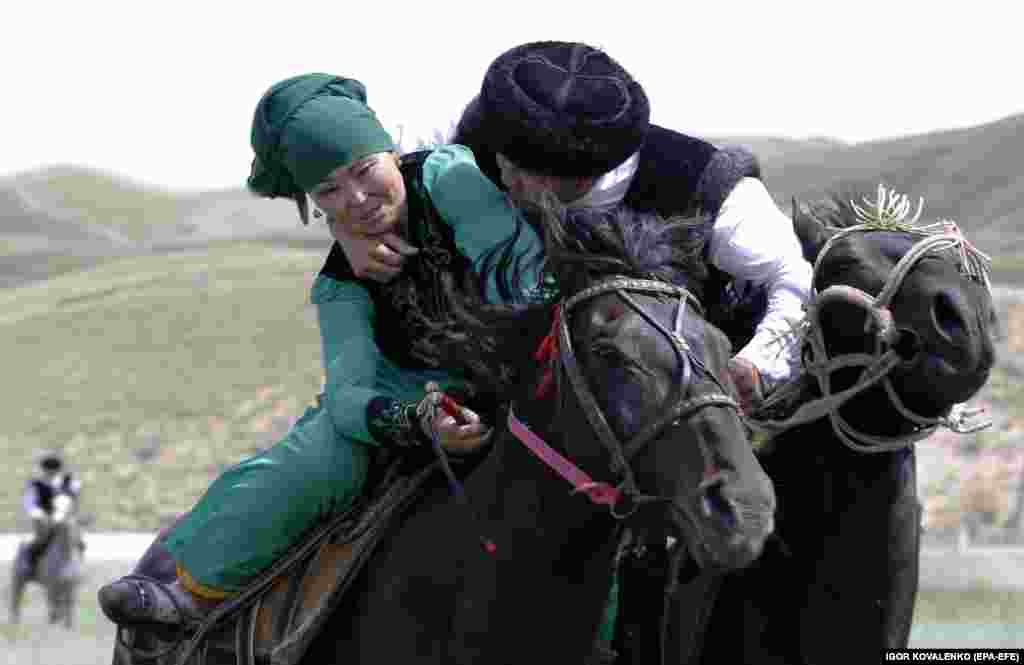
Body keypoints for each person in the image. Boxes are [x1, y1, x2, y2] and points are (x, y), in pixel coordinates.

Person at [97, 72, 543, 630]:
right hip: (422, 396)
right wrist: (415, 420)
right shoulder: (340, 283)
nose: (356, 199)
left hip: (527, 356)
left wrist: (499, 371)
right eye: (329, 191)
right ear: (313, 204)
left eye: (363, 171)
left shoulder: (448, 177)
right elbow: (351, 392)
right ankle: (188, 588)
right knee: (322, 453)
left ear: (389, 148)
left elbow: (516, 272)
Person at [338, 41, 814, 416]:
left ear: (587, 176)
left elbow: (793, 278)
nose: (502, 173)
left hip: (658, 409)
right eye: (503, 155)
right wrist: (351, 232)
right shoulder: (484, 127)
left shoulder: (710, 191)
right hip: (476, 390)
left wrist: (757, 364)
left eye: (525, 172)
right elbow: (346, 161)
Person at [21, 450, 83, 575]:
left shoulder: (69, 482)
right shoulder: (36, 484)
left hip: (64, 518)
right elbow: (30, 502)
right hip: (43, 519)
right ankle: (29, 565)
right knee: (39, 539)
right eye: (47, 466)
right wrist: (37, 513)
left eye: (55, 465)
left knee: (77, 539)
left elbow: (72, 498)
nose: (51, 469)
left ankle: (78, 566)